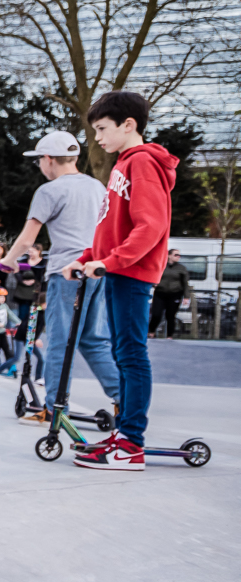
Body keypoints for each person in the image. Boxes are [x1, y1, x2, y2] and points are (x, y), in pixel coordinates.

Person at [69, 90, 178, 470]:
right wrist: (87, 258)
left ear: (128, 125)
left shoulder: (143, 163)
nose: (96, 138)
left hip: (132, 274)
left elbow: (151, 226)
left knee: (131, 355)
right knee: (121, 354)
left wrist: (111, 262)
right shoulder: (122, 166)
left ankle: (132, 443)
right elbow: (109, 227)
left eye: (102, 129)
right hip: (116, 269)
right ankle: (123, 434)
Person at [0, 130, 123, 417]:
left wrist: (9, 261)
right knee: (93, 340)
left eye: (39, 160)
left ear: (48, 159)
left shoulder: (49, 190)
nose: (40, 166)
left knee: (59, 341)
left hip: (67, 274)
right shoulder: (96, 187)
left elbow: (28, 239)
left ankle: (55, 407)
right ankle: (123, 397)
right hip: (97, 271)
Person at [152, 248, 190, 338]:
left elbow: (185, 283)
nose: (178, 257)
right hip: (160, 293)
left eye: (179, 255)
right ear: (169, 255)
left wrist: (186, 297)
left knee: (171, 315)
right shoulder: (161, 266)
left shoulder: (181, 268)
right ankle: (151, 332)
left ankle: (170, 335)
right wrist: (153, 284)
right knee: (156, 314)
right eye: (176, 255)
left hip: (174, 294)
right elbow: (153, 276)